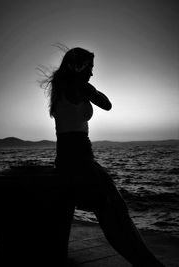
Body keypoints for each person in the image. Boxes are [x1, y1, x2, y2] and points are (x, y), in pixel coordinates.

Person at [40, 46, 165, 267]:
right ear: (79, 67)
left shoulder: (61, 87)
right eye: (90, 67)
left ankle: (147, 263)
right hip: (80, 161)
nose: (92, 73)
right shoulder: (79, 86)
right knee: (115, 216)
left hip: (71, 159)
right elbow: (107, 105)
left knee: (114, 213)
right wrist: (88, 86)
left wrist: (85, 84)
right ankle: (148, 264)